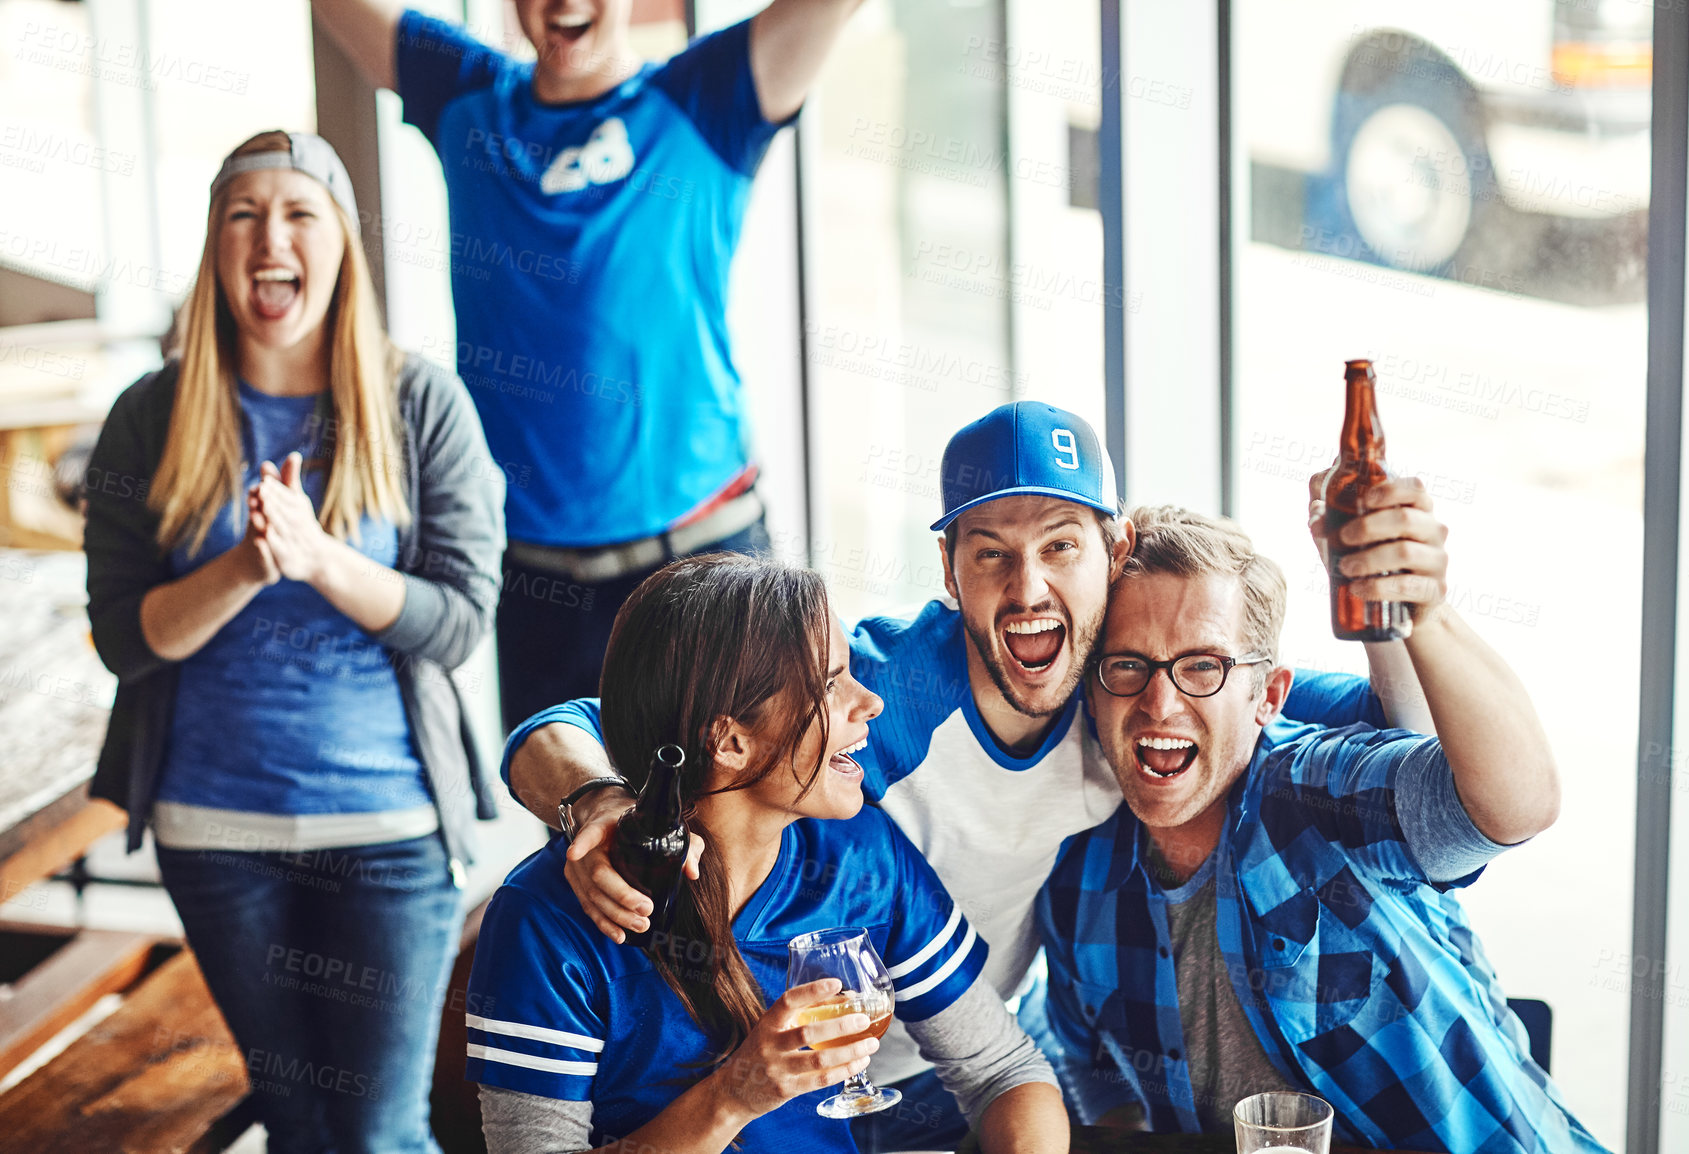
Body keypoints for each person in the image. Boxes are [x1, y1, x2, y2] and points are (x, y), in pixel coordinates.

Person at [500, 402, 1438, 1150]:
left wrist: (1393, 604)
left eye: (1061, 545)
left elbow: (1407, 743)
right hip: (820, 1083)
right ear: (949, 571)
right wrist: (596, 799)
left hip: (957, 1066)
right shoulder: (886, 697)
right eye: (991, 553)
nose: (1028, 588)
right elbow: (620, 717)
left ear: (1113, 556)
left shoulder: (1135, 681)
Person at [83, 130, 505, 1153]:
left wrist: (319, 557)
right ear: (216, 248)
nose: (270, 236)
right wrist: (244, 565)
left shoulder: (417, 402)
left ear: (340, 247)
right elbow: (123, 638)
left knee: (376, 1132)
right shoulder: (149, 418)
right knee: (302, 1124)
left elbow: (458, 617)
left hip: (389, 831)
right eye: (243, 214)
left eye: (298, 213)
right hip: (214, 836)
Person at [310, 0, 866, 730]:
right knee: (578, 829)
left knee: (734, 825)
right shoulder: (466, 97)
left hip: (701, 563)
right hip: (536, 581)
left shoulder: (706, 96)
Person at [1034, 499, 1610, 1152]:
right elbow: (1092, 1074)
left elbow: (1518, 805)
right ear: (1091, 689)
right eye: (1128, 665)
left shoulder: (1313, 793)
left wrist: (1418, 605)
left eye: (1203, 666)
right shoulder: (1077, 883)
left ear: (1269, 696)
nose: (1159, 704)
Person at [465, 554, 1069, 1153]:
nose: (870, 703)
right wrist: (733, 1096)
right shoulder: (545, 920)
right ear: (729, 740)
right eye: (832, 685)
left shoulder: (862, 859)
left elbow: (1002, 1072)